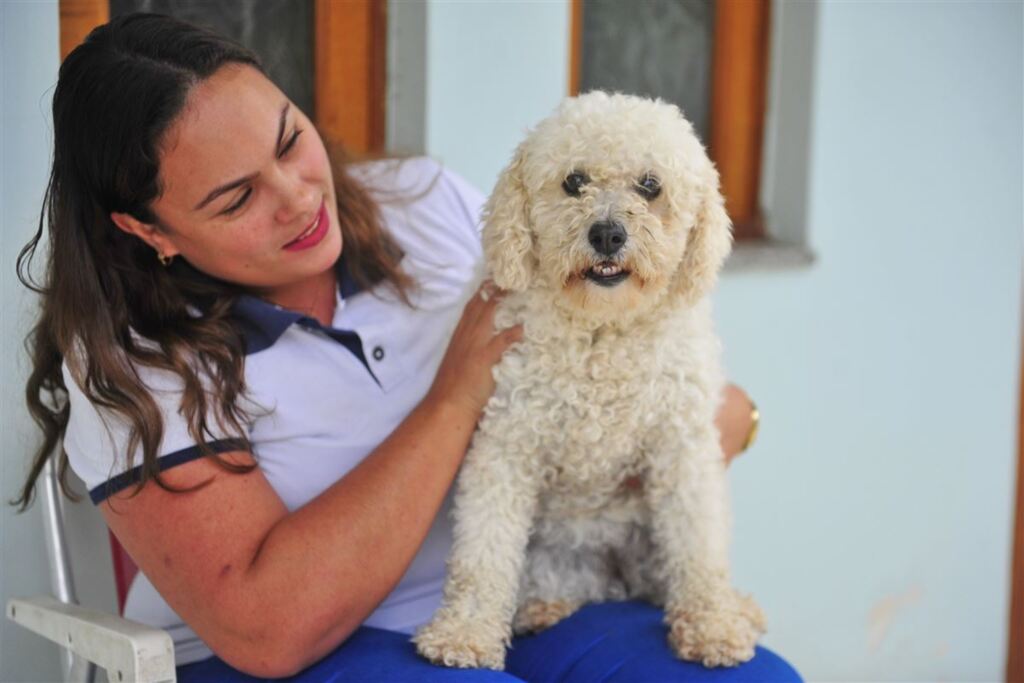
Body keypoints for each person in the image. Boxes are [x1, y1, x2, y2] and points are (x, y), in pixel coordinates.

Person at [14, 13, 799, 682]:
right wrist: (455, 397)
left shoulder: (426, 204)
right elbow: (267, 628)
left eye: (289, 140)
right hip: (305, 651)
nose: (298, 198)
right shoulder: (128, 354)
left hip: (531, 598)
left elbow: (674, 388)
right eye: (238, 197)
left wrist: (701, 432)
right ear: (148, 229)